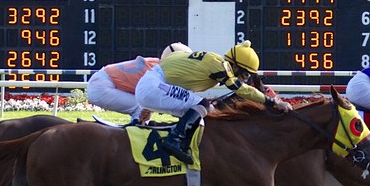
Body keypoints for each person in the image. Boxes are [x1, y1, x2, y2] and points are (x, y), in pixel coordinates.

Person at [135, 40, 292, 165]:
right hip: (153, 86)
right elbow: (241, 89)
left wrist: (148, 106)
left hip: (152, 85)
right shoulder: (220, 65)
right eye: (244, 74)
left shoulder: (211, 62)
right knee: (203, 105)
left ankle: (186, 145)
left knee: (205, 111)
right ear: (234, 65)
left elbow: (174, 77)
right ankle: (174, 141)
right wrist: (273, 102)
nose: (245, 79)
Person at [85, 42, 191, 124]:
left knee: (144, 107)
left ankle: (137, 127)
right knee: (140, 107)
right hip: (102, 86)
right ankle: (136, 131)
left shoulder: (156, 64)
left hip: (101, 82)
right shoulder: (161, 71)